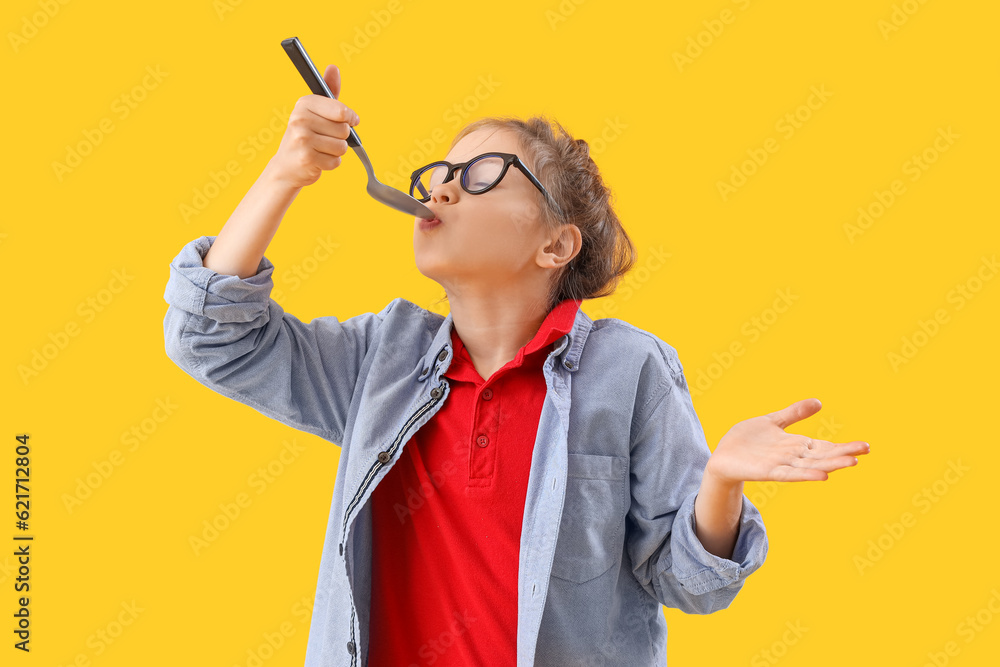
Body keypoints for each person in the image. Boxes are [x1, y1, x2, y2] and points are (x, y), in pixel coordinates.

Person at [162, 64, 870, 666]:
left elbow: (690, 579)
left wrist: (719, 481)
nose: (439, 188)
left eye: (481, 174)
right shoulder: (381, 359)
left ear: (556, 246)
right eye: (438, 173)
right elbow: (213, 337)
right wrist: (286, 173)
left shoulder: (629, 369)